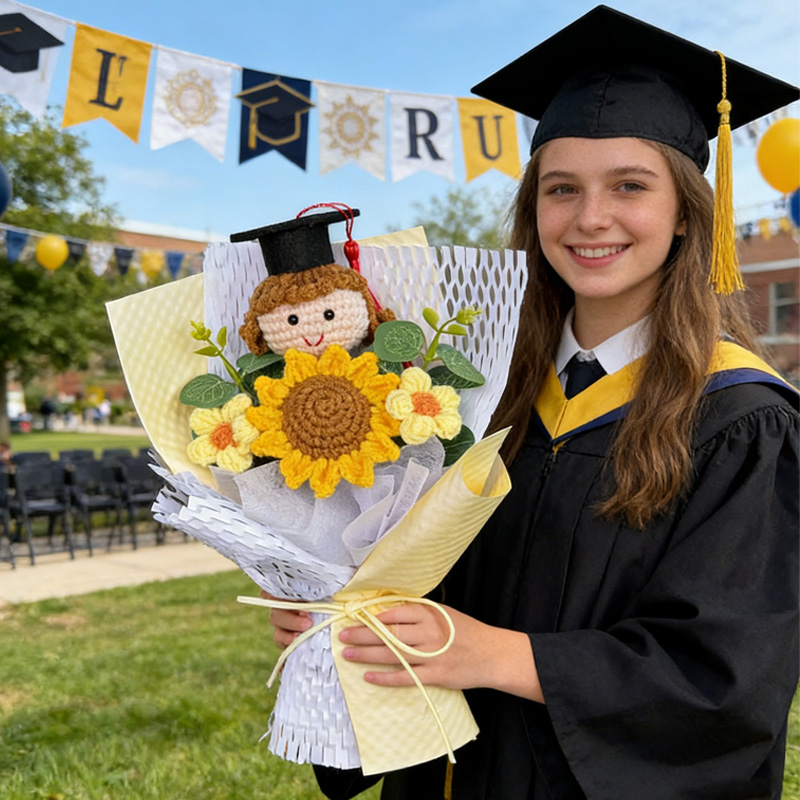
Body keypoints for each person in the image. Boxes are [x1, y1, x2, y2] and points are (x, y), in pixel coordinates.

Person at [269, 7, 800, 799]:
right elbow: (409, 572)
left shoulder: (741, 420)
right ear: (534, 209)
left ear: (690, 213)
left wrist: (494, 656)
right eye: (562, 189)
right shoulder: (470, 395)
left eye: (630, 186)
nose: (590, 217)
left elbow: (727, 682)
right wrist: (343, 614)